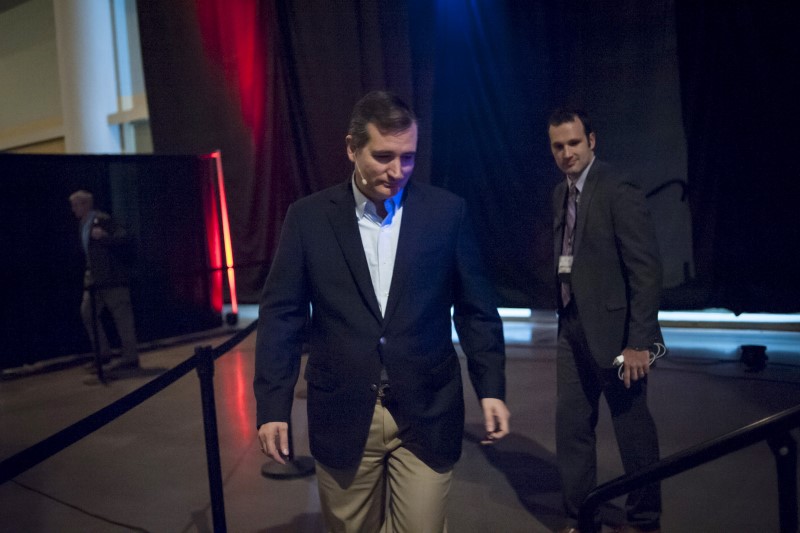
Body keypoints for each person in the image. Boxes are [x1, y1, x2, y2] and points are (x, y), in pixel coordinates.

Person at [254, 90, 510, 532]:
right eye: (384, 156)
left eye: (408, 158)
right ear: (352, 148)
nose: (397, 172)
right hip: (344, 411)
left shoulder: (447, 213)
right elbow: (283, 316)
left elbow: (476, 309)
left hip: (427, 408)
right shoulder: (308, 218)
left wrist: (490, 385)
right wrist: (273, 405)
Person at [547, 109, 663, 533]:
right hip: (572, 326)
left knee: (632, 429)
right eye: (558, 146)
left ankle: (646, 520)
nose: (566, 153)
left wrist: (640, 343)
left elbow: (645, 271)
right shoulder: (561, 193)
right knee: (572, 425)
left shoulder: (618, 187)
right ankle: (582, 515)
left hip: (619, 336)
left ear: (591, 140)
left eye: (573, 143)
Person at [69, 190, 140, 372]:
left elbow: (124, 238)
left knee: (122, 317)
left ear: (85, 205)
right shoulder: (83, 225)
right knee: (87, 313)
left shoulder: (102, 220)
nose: (73, 209)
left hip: (112, 279)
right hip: (95, 280)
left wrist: (104, 236)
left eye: (76, 205)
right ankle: (103, 353)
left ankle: (130, 358)